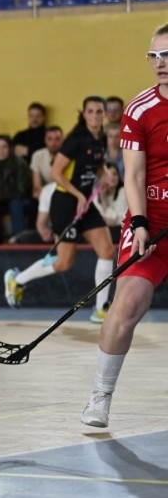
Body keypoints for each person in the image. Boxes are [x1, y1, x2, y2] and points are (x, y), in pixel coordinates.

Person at [80, 25, 168, 427]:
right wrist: (141, 223)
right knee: (128, 304)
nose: (160, 63)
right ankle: (100, 396)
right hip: (151, 217)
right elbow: (132, 175)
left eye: (167, 55)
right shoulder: (140, 109)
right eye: (154, 56)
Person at [5, 96, 114, 323]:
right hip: (65, 203)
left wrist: (105, 175)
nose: (95, 116)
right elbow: (56, 173)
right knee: (64, 262)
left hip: (85, 203)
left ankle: (101, 308)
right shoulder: (75, 140)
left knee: (107, 251)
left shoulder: (101, 139)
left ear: (104, 114)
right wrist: (78, 195)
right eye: (91, 111)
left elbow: (97, 165)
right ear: (84, 114)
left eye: (99, 111)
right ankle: (17, 280)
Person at [0, 135, 31, 237]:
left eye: (4, 146)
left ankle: (18, 238)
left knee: (15, 204)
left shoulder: (19, 163)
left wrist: (0, 196)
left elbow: (21, 190)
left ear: (10, 148)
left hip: (19, 199)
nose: (1, 150)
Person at [94, 160, 127, 243]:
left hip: (120, 232)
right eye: (107, 175)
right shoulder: (95, 196)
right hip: (102, 235)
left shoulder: (123, 192)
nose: (112, 178)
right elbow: (95, 222)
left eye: (115, 174)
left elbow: (114, 221)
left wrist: (104, 199)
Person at [30, 126, 64, 198]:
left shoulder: (69, 156)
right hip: (45, 193)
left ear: (63, 140)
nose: (53, 143)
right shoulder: (37, 156)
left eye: (57, 139)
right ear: (45, 140)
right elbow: (37, 186)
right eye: (49, 139)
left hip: (64, 192)